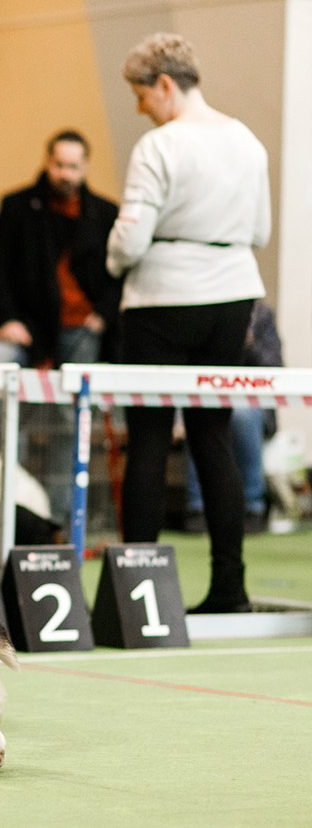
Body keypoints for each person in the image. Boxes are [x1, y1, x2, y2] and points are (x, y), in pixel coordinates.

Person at [107, 32, 270, 614]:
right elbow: (260, 231)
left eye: (141, 95)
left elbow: (131, 240)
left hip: (161, 299)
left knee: (150, 438)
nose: (140, 108)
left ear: (165, 85)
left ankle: (136, 599)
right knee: (212, 436)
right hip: (233, 296)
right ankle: (230, 588)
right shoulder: (247, 140)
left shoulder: (160, 145)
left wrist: (113, 260)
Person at [0, 129, 121, 368]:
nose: (65, 174)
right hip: (28, 324)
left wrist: (103, 314)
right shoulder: (17, 207)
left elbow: (119, 271)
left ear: (85, 166)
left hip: (83, 326)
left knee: (78, 384)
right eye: (59, 165)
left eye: (73, 167)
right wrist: (8, 319)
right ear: (47, 161)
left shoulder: (104, 214)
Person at [183, 299, 283, 532]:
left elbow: (273, 368)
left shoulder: (261, 316)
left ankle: (253, 506)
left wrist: (249, 345)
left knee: (242, 415)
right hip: (207, 397)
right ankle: (197, 507)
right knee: (196, 414)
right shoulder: (203, 311)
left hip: (252, 401)